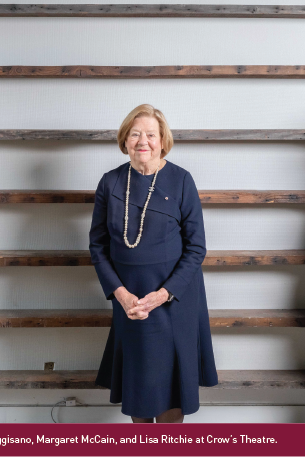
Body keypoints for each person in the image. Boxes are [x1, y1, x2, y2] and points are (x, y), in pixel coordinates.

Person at [89, 104, 218, 423]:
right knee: (140, 387)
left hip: (174, 300)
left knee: (172, 392)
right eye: (135, 134)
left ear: (162, 141)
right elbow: (98, 246)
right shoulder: (110, 183)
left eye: (150, 134)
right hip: (130, 300)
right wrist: (121, 295)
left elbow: (196, 247)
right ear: (124, 140)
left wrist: (164, 294)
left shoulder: (181, 180)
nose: (142, 141)